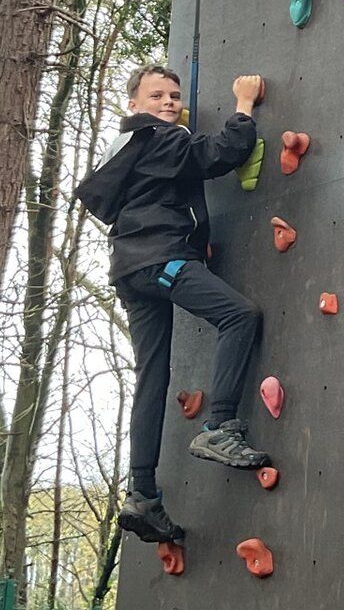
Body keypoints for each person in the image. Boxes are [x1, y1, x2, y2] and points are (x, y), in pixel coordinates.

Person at [76, 66, 271, 544]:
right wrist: (243, 105)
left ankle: (142, 493)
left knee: (153, 376)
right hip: (160, 257)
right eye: (156, 95)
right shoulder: (156, 136)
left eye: (173, 95)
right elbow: (219, 153)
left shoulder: (124, 150)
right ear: (134, 105)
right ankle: (220, 424)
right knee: (238, 315)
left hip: (129, 268)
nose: (167, 102)